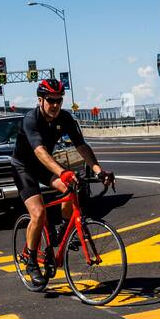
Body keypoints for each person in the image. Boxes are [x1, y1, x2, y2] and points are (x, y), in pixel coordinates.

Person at [12, 79, 114, 281]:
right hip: (24, 167)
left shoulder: (65, 118)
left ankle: (63, 228)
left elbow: (81, 146)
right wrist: (62, 172)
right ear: (40, 100)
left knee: (71, 186)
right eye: (51, 100)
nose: (56, 105)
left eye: (59, 100)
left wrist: (98, 170)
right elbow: (40, 151)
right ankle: (31, 261)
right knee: (39, 213)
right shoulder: (31, 120)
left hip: (44, 166)